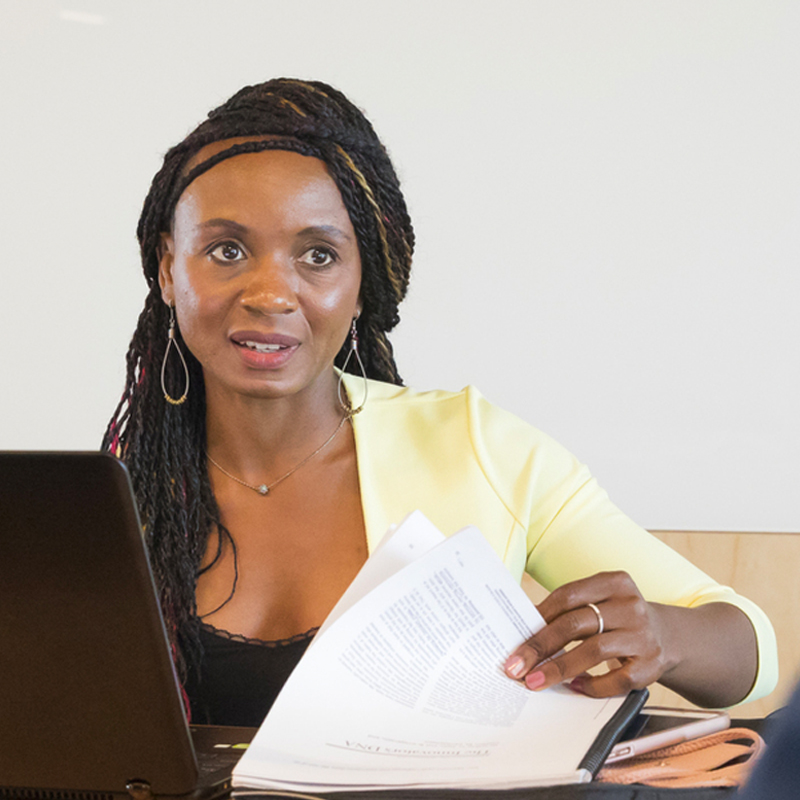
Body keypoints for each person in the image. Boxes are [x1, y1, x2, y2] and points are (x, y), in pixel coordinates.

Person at [104, 78, 777, 727]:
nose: (271, 293)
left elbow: (752, 652)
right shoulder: (116, 491)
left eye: (317, 256)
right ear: (169, 269)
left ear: (365, 282)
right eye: (226, 250)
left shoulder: (475, 447)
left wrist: (665, 634)